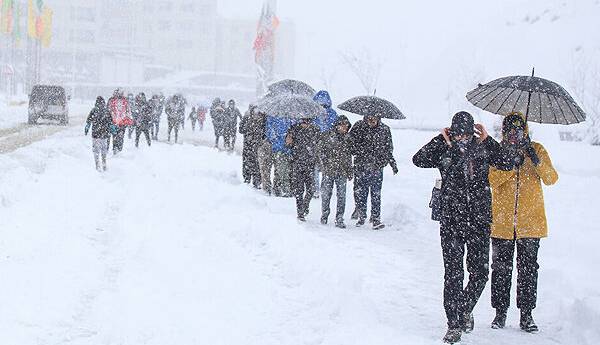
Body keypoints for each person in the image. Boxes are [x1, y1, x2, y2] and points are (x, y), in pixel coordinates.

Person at [412, 111, 511, 344]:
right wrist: (441, 140)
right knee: (453, 274)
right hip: (451, 220)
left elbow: (507, 162)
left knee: (480, 273)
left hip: (478, 220)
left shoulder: (484, 148)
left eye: (466, 134)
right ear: (452, 133)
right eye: (457, 135)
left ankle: (464, 308)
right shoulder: (444, 150)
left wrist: (488, 140)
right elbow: (418, 159)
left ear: (473, 133)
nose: (462, 139)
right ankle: (453, 324)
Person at [488, 112, 558, 333]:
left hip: (531, 222)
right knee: (500, 268)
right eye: (509, 132)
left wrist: (534, 159)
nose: (513, 136)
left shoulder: (537, 149)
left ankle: (526, 314)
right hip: (501, 222)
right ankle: (500, 312)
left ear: (524, 131)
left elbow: (550, 178)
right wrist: (509, 164)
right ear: (504, 132)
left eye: (518, 131)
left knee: (528, 270)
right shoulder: (496, 150)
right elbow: (491, 180)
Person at [349, 114, 398, 229]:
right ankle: (362, 216)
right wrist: (360, 149)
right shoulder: (358, 127)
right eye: (370, 118)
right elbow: (350, 145)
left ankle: (376, 218)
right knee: (361, 192)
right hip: (361, 165)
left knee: (376, 193)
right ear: (366, 117)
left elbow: (388, 148)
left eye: (374, 119)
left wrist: (392, 163)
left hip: (377, 166)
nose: (372, 121)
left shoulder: (385, 129)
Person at [318, 115, 353, 228]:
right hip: (328, 171)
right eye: (342, 125)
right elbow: (320, 152)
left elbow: (348, 157)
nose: (344, 128)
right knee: (326, 195)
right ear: (337, 125)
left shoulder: (348, 138)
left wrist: (349, 170)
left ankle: (339, 218)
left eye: (346, 126)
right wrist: (324, 165)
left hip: (342, 172)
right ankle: (324, 215)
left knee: (341, 196)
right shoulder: (327, 136)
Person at [286, 117, 321, 221]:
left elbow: (319, 145)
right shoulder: (294, 129)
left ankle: (305, 205)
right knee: (299, 190)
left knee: (310, 190)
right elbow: (288, 145)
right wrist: (289, 140)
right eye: (303, 121)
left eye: (307, 121)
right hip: (297, 163)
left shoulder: (315, 130)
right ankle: (300, 212)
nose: (304, 123)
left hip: (310, 164)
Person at [313, 90, 339, 199]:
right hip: (318, 144)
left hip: (326, 145)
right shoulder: (314, 113)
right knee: (317, 167)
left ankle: (321, 188)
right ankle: (317, 189)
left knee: (323, 167)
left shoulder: (332, 114)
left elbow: (335, 128)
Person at [266, 115, 296, 197]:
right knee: (282, 170)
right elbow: (270, 133)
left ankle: (278, 187)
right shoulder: (273, 118)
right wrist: (280, 138)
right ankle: (285, 189)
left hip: (288, 149)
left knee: (284, 170)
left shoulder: (291, 118)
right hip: (279, 149)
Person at [239, 105, 266, 188]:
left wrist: (261, 137)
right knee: (247, 162)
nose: (256, 114)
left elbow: (265, 132)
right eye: (254, 111)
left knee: (257, 163)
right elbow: (241, 130)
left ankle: (257, 181)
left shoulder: (263, 119)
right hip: (248, 144)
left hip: (258, 145)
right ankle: (247, 179)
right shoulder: (246, 117)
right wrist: (248, 130)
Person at [85, 97, 113, 171]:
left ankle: (97, 164)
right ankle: (104, 162)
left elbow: (88, 121)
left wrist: (87, 128)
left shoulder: (94, 110)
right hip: (104, 134)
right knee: (103, 149)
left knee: (96, 150)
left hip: (96, 134)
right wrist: (112, 129)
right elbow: (111, 122)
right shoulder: (106, 111)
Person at [107, 89, 132, 154]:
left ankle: (117, 148)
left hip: (117, 122)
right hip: (118, 122)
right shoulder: (113, 100)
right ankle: (117, 148)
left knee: (116, 136)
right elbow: (128, 111)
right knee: (119, 136)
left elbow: (108, 110)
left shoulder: (112, 100)